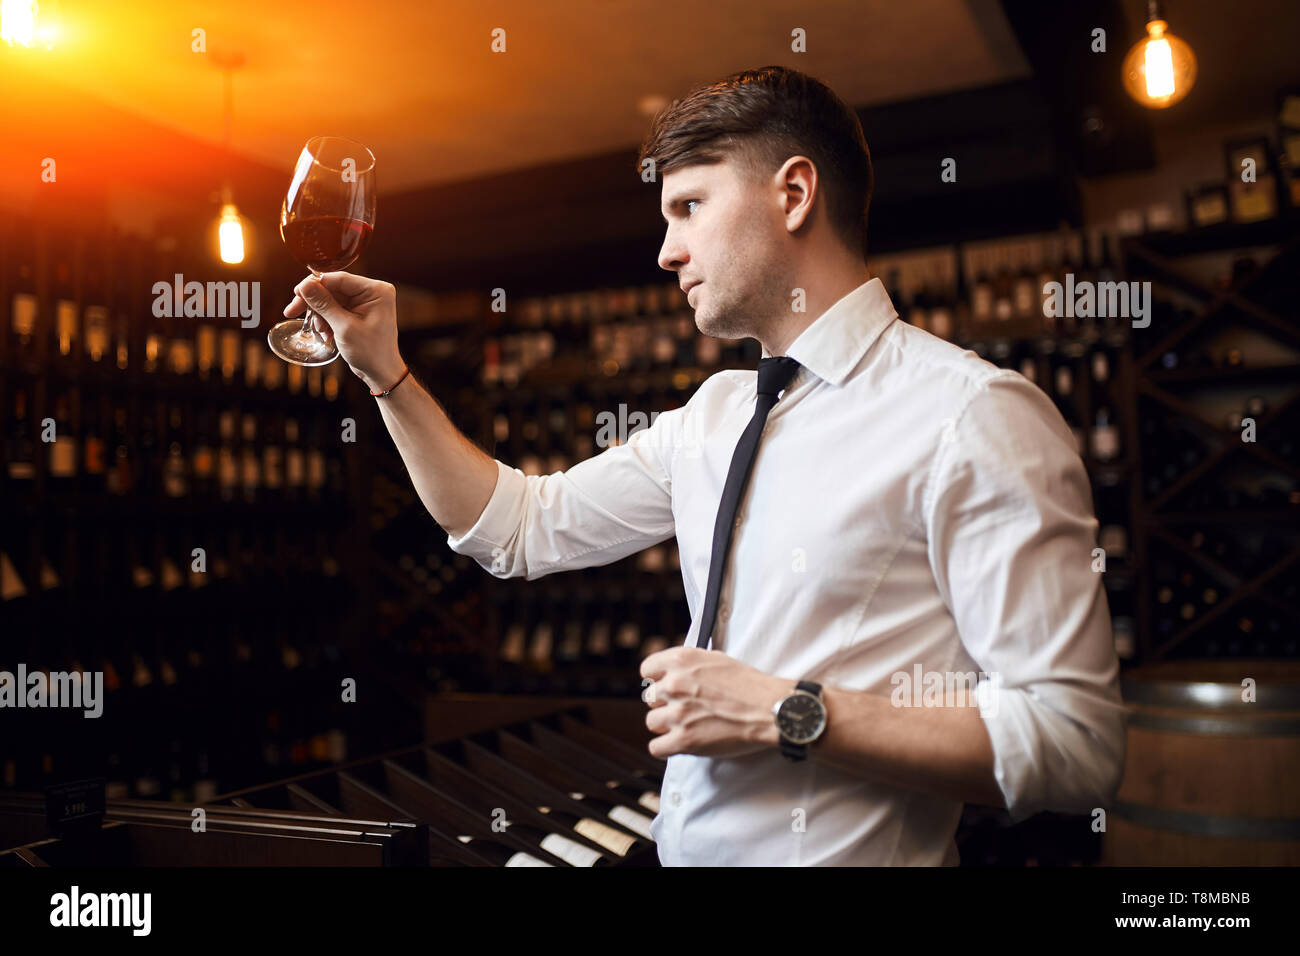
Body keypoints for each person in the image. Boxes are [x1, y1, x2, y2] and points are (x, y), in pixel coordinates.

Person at [282, 65, 1126, 866]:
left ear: (793, 195)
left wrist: (785, 711)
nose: (665, 251)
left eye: (688, 206)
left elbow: (1075, 742)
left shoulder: (972, 415)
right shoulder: (715, 416)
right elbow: (513, 530)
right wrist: (385, 374)